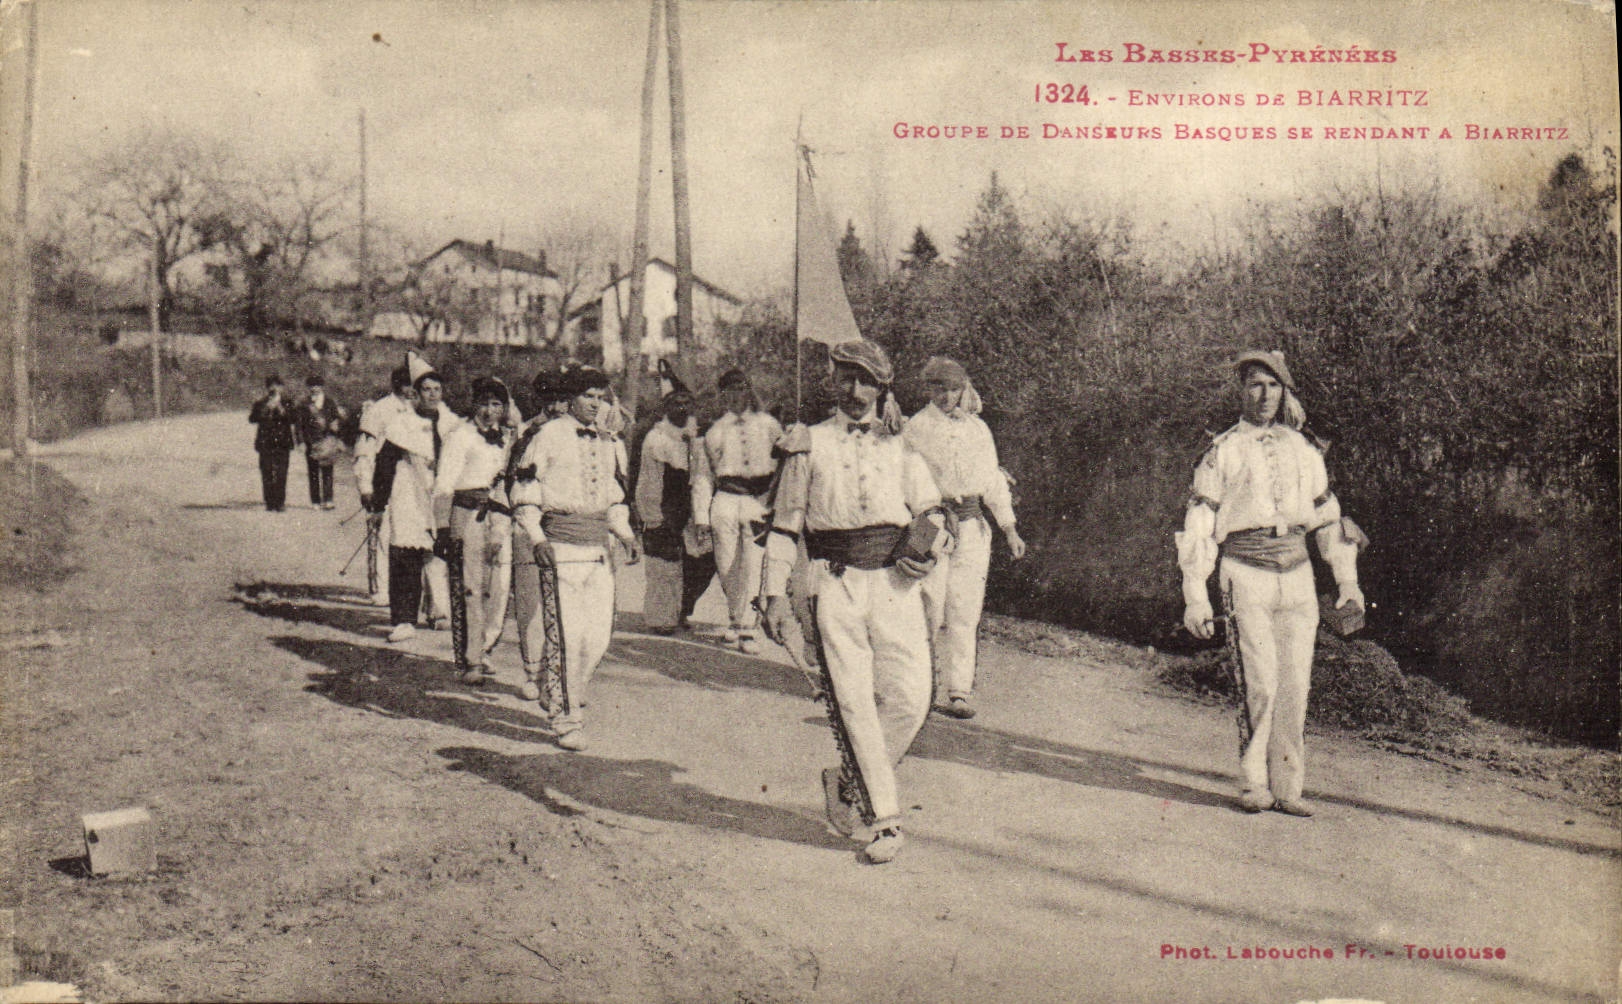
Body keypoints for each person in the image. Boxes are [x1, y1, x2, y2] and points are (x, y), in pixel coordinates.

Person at [761, 339, 948, 865]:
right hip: (834, 582)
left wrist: (925, 548)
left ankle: (846, 779)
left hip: (895, 583)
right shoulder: (808, 444)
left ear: (881, 385)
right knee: (853, 702)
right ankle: (885, 820)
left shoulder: (902, 443)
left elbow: (934, 510)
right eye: (845, 377)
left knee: (913, 698)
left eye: (865, 379)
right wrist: (774, 593)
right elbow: (783, 525)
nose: (855, 389)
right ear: (832, 380)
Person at [1176, 350, 1366, 818]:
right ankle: (1254, 782)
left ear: (1286, 391)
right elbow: (1200, 524)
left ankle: (1289, 786)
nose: (1265, 396)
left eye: (1274, 386)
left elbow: (1328, 519)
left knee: (1295, 685)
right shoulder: (1222, 451)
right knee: (1260, 684)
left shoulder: (1304, 449)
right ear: (1241, 391)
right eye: (1256, 385)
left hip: (1298, 575)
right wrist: (1195, 596)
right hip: (1245, 572)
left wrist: (1347, 581)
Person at [508, 365, 638, 751]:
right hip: (560, 549)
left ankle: (556, 685)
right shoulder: (548, 435)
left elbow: (613, 497)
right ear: (570, 399)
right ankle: (567, 718)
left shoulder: (607, 439)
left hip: (597, 551)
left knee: (597, 639)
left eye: (600, 397)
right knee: (568, 635)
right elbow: (525, 490)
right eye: (587, 397)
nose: (595, 405)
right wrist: (536, 537)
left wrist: (626, 535)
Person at [903, 357, 1027, 720]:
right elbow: (907, 478)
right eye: (937, 387)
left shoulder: (978, 429)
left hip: (973, 525)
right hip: (930, 522)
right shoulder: (916, 427)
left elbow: (992, 480)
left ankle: (959, 690)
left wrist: (1009, 528)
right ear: (927, 389)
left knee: (965, 608)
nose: (945, 395)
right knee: (927, 606)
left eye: (952, 388)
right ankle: (919, 687)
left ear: (963, 390)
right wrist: (924, 521)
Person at [433, 376, 520, 685]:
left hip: (500, 517)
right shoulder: (460, 436)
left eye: (495, 404)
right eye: (483, 403)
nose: (488, 410)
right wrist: (443, 528)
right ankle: (471, 659)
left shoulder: (509, 438)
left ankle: (485, 648)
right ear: (473, 404)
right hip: (468, 513)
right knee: (471, 587)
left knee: (499, 587)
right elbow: (444, 485)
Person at [692, 369, 782, 654]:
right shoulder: (714, 431)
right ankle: (735, 618)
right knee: (728, 564)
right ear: (722, 395)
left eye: (741, 389)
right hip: (726, 501)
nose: (735, 396)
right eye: (728, 391)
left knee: (754, 564)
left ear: (749, 390)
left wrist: (775, 500)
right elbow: (702, 478)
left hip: (758, 500)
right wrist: (701, 519)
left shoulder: (769, 425)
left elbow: (783, 467)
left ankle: (749, 628)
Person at [370, 352, 456, 643]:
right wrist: (378, 504)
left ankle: (440, 611)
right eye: (426, 390)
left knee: (438, 553)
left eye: (437, 389)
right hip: (408, 490)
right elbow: (384, 465)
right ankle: (404, 618)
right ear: (416, 394)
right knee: (405, 553)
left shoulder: (452, 423)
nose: (432, 395)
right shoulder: (401, 424)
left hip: (440, 493)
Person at [504, 367, 574, 703]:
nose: (558, 406)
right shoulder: (526, 432)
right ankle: (532, 670)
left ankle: (553, 672)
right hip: (530, 526)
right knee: (531, 603)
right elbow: (511, 478)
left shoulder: (579, 434)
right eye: (552, 400)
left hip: (565, 528)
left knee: (566, 604)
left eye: (563, 399)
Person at [635, 380, 715, 634]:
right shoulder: (656, 439)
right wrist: (652, 515)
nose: (681, 408)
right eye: (676, 403)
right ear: (666, 407)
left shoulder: (697, 438)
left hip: (692, 509)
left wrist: (702, 514)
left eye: (686, 403)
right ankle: (662, 618)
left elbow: (703, 477)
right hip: (665, 506)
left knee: (704, 562)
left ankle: (682, 607)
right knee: (663, 564)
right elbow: (649, 480)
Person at [354, 365, 417, 605]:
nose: (412, 391)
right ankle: (380, 589)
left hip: (411, 484)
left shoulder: (419, 411)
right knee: (381, 534)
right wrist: (365, 486)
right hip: (382, 481)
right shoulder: (378, 411)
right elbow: (364, 451)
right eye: (409, 385)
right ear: (399, 385)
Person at [248, 374, 298, 512]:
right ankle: (270, 501)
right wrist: (266, 409)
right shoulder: (261, 402)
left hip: (283, 442)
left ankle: (280, 502)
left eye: (277, 385)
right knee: (267, 472)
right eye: (271, 386)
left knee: (282, 472)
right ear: (267, 388)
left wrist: (281, 409)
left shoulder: (288, 401)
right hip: (266, 442)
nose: (274, 388)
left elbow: (294, 418)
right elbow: (252, 419)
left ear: (282, 387)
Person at [297, 375, 347, 510]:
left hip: (327, 440)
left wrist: (339, 437)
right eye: (312, 386)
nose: (314, 388)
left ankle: (328, 499)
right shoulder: (304, 404)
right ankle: (315, 501)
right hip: (311, 441)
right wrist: (300, 441)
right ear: (308, 388)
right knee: (313, 471)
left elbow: (337, 420)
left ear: (322, 387)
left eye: (317, 385)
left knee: (328, 470)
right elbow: (299, 424)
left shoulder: (330, 402)